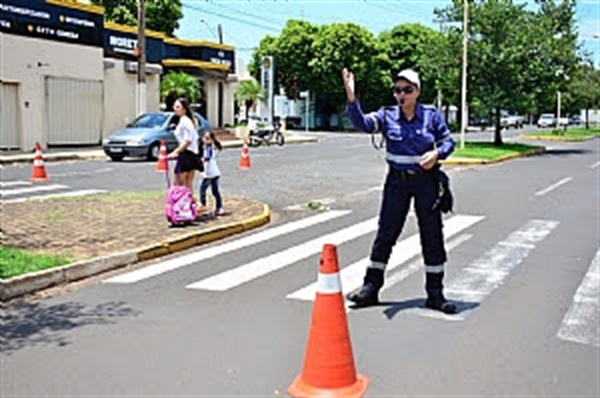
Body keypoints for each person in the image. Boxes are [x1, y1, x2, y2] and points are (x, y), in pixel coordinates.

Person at [343, 67, 457, 314]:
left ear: (417, 91)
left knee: (432, 236)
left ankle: (435, 295)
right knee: (386, 233)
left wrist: (437, 153)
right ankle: (370, 288)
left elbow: (449, 141)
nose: (401, 94)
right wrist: (352, 98)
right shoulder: (387, 115)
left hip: (426, 182)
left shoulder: (431, 116)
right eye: (397, 90)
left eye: (407, 90)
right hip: (397, 183)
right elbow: (363, 124)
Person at [168, 98, 201, 190]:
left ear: (184, 109)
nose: (175, 109)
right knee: (187, 183)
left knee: (179, 182)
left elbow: (188, 140)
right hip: (192, 153)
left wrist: (176, 152)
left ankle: (184, 202)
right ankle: (191, 202)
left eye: (178, 107)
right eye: (175, 106)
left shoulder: (185, 121)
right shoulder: (186, 121)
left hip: (187, 154)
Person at [199, 130, 225, 216]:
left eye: (207, 138)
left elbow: (207, 157)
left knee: (202, 190)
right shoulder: (208, 147)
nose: (205, 140)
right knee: (215, 191)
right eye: (204, 138)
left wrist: (201, 160)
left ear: (212, 140)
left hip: (209, 173)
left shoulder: (209, 148)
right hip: (214, 172)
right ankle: (219, 207)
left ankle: (204, 207)